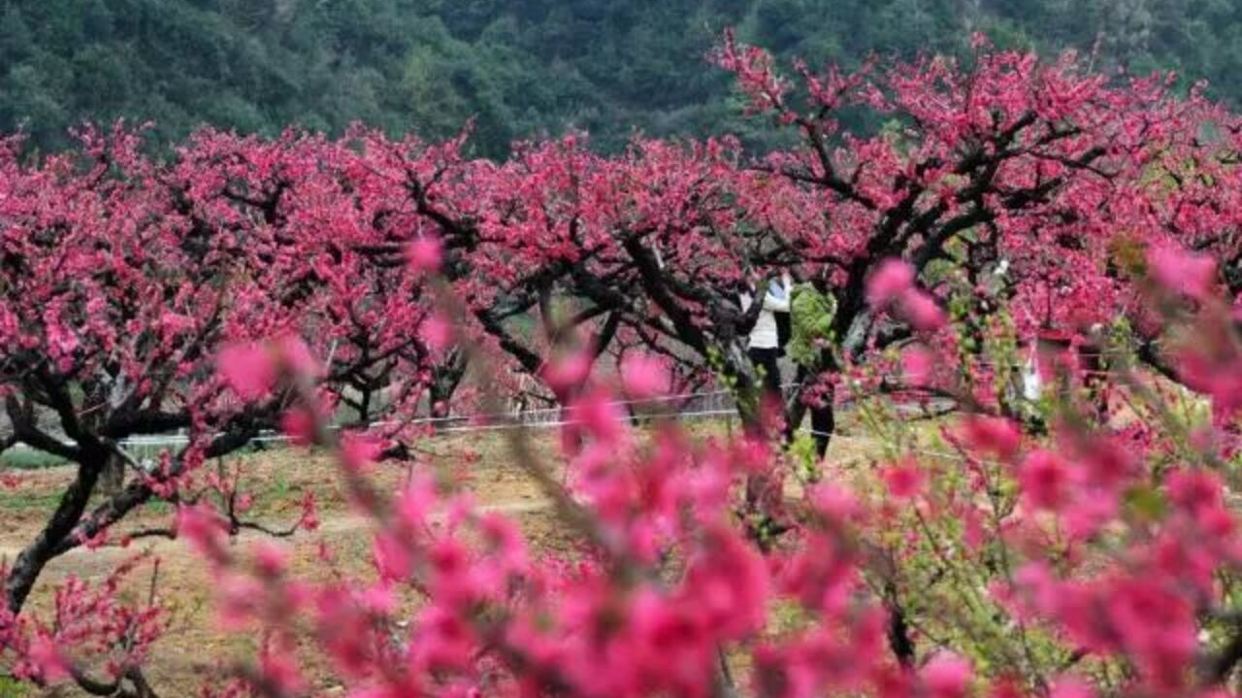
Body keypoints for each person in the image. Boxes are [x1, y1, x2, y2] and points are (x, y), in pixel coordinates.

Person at [740, 271, 792, 402]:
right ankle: (775, 417)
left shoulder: (743, 294)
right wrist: (787, 282)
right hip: (766, 345)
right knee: (773, 386)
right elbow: (787, 306)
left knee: (763, 386)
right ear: (750, 278)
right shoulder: (762, 297)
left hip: (755, 344)